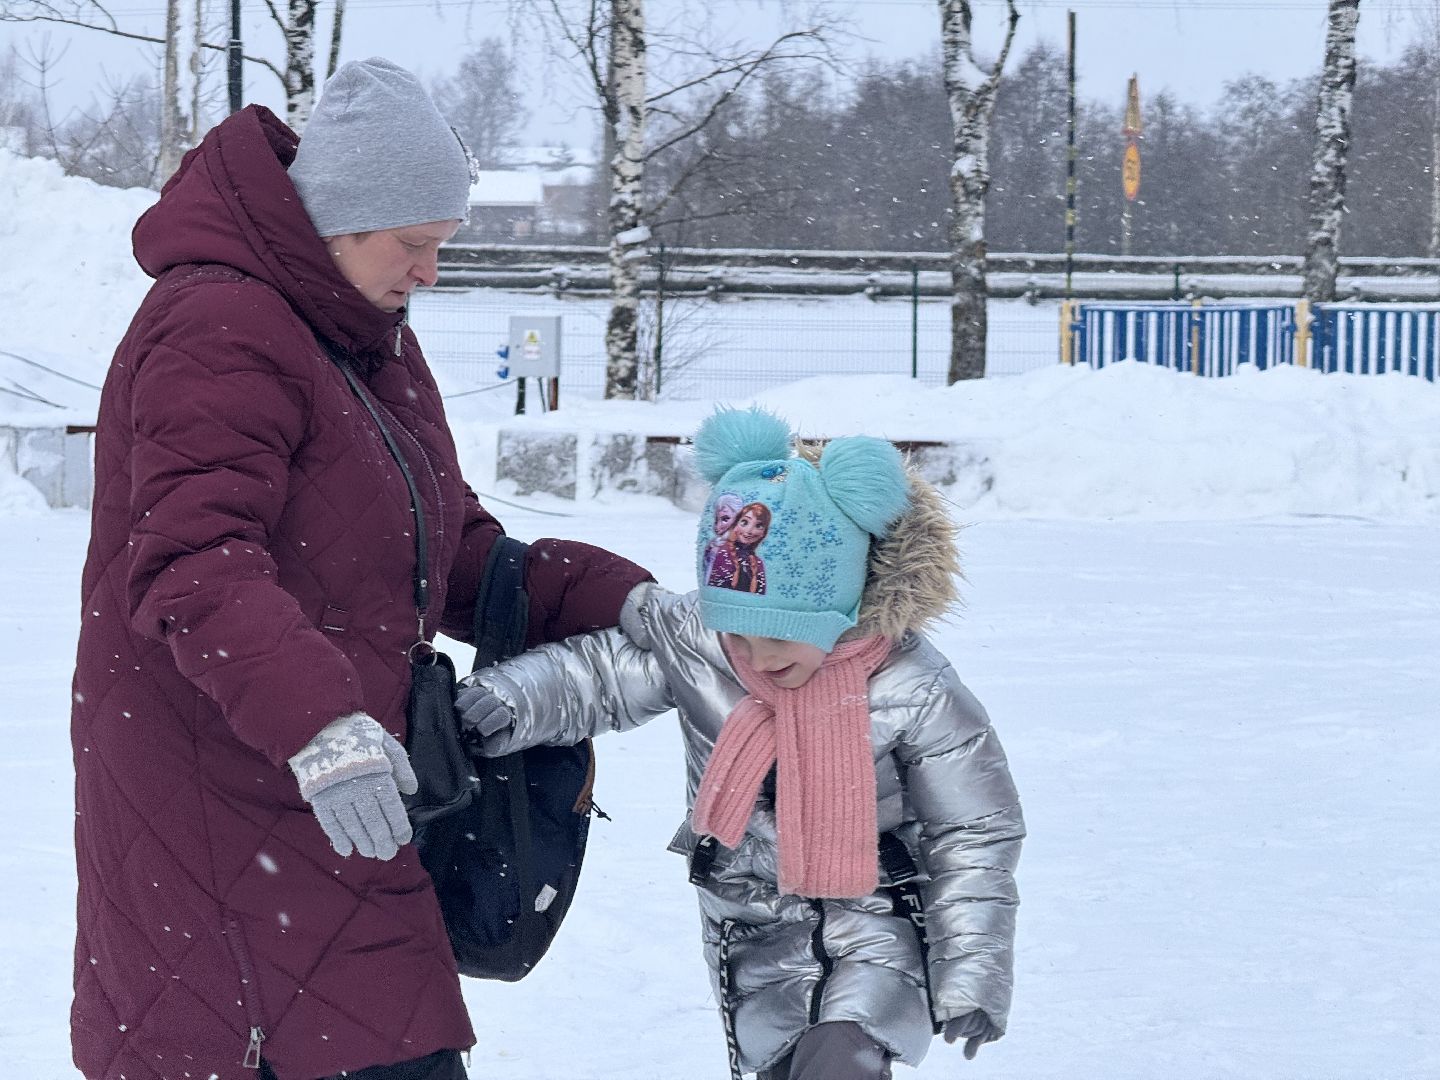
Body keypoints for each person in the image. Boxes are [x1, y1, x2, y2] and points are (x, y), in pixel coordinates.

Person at [69, 58, 651, 1080]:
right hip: (228, 796)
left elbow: (447, 550)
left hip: (345, 793)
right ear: (339, 220)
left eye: (441, 246)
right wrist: (320, 726)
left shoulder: (363, 340)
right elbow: (196, 564)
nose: (430, 271)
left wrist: (632, 602)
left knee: (388, 1033)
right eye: (414, 243)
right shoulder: (219, 327)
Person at [457, 406, 1025, 1080]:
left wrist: (972, 969)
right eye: (740, 633)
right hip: (750, 926)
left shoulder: (911, 685)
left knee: (843, 1054)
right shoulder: (705, 648)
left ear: (839, 605)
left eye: (780, 634)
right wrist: (508, 699)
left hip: (875, 917)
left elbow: (973, 831)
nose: (757, 655)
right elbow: (596, 676)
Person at [706, 500, 771, 593]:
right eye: (744, 522)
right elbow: (716, 590)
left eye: (759, 526)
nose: (749, 530)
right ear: (735, 524)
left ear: (763, 533)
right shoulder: (722, 552)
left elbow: (760, 594)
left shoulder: (757, 563)